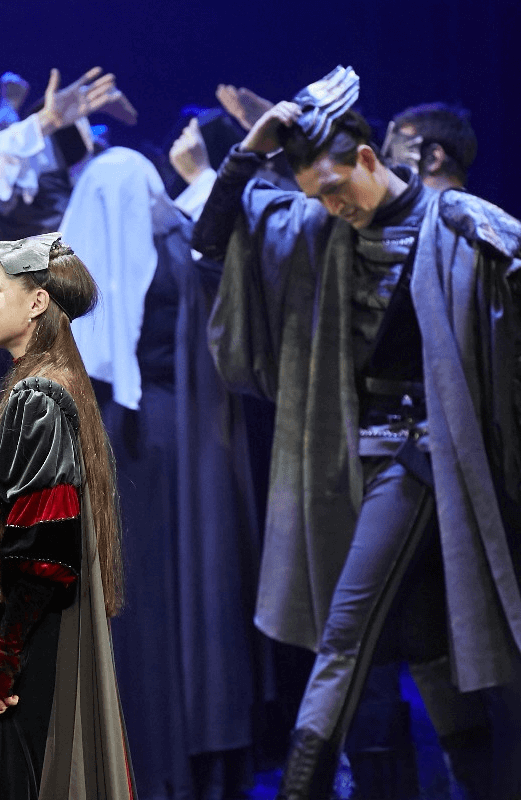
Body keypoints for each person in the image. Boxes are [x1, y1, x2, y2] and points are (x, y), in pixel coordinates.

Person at [191, 66, 521, 800]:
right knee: (425, 648)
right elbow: (212, 239)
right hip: (353, 462)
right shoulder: (318, 227)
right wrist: (249, 149)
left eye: (337, 188)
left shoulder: (455, 221)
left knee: (346, 635)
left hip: (430, 460)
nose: (332, 205)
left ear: (369, 158)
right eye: (317, 195)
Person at [61, 134, 263, 800]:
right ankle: (179, 754)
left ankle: (139, 757)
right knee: (174, 592)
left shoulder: (84, 273)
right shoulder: (175, 250)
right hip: (174, 434)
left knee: (141, 596)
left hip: (133, 434)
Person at [0, 232, 135, 799]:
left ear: (37, 302)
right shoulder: (58, 382)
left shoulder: (38, 396)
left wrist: (1, 653)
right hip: (36, 634)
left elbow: (46, 551)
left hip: (29, 645)